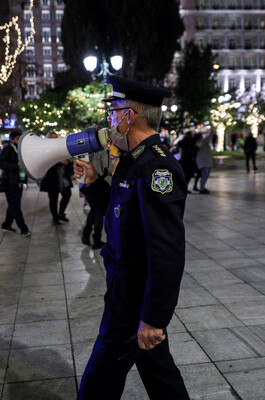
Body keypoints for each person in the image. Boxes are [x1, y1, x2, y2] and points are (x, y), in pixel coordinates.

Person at [74, 76, 190, 400]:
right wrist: (93, 182)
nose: (109, 122)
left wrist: (154, 317)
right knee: (158, 372)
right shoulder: (132, 161)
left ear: (128, 116)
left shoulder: (157, 169)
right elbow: (117, 216)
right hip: (124, 288)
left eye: (113, 114)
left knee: (99, 379)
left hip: (134, 296)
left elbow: (166, 250)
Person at [0, 131, 31, 236]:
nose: (19, 141)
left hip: (19, 182)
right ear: (12, 140)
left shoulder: (21, 150)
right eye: (17, 139)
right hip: (10, 182)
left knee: (13, 205)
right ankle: (24, 229)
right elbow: (2, 164)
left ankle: (6, 224)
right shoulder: (8, 149)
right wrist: (16, 165)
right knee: (16, 206)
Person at [39, 131, 73, 225]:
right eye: (52, 138)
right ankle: (55, 217)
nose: (54, 140)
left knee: (67, 195)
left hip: (63, 178)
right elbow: (45, 164)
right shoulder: (44, 150)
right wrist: (58, 161)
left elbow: (67, 161)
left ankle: (61, 213)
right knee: (53, 199)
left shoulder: (60, 149)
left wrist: (67, 163)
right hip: (52, 179)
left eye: (55, 138)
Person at [82, 149, 111, 249]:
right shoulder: (102, 151)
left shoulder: (87, 151)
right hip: (100, 186)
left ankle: (86, 235)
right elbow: (107, 169)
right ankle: (96, 240)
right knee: (99, 213)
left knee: (94, 211)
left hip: (89, 186)